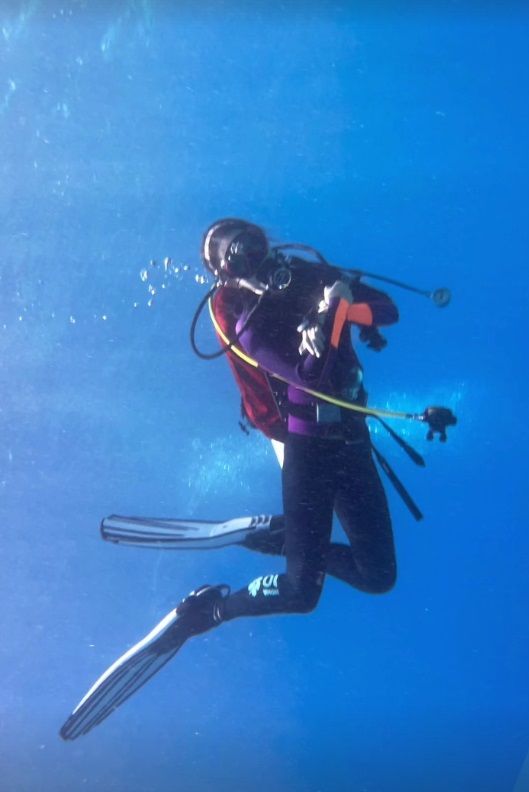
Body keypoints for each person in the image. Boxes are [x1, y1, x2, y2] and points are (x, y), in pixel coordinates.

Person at [60, 218, 400, 740]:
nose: (255, 266)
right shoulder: (233, 311)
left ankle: (271, 535)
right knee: (299, 591)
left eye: (256, 249)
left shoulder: (302, 273)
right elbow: (305, 383)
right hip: (306, 440)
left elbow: (388, 310)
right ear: (224, 274)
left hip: (352, 438)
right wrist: (329, 322)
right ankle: (208, 610)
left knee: (378, 576)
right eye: (237, 262)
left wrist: (347, 302)